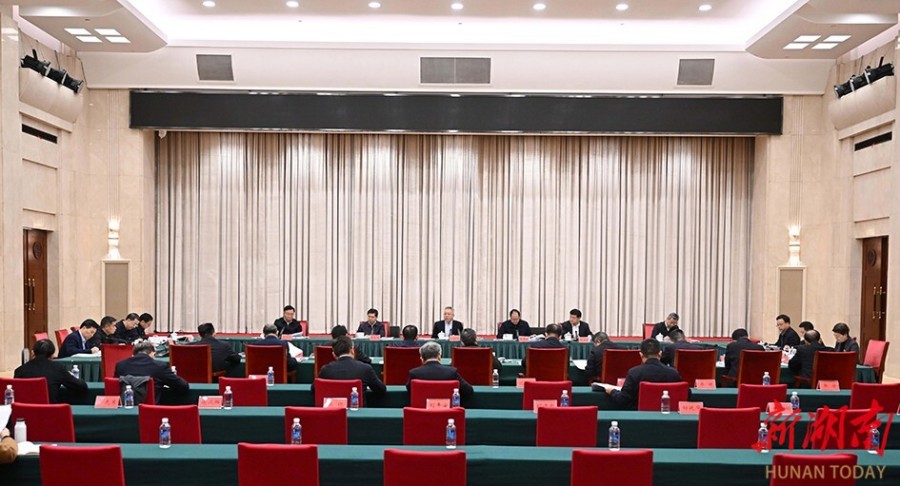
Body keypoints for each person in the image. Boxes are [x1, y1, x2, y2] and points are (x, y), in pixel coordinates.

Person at [601, 338, 683, 409]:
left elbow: (623, 399)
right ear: (660, 353)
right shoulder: (673, 373)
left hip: (638, 416)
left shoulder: (634, 373)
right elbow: (684, 394)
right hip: (667, 415)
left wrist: (612, 391)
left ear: (641, 354)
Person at [14, 339, 88, 403]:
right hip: (50, 411)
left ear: (33, 353)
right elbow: (80, 386)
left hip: (24, 411)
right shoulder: (57, 368)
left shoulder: (19, 370)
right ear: (52, 355)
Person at [114, 341, 189, 402]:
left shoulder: (120, 365)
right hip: (151, 408)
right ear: (152, 353)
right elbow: (182, 386)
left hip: (125, 404)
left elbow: (115, 386)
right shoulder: (160, 366)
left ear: (133, 354)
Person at [315, 336, 386, 394]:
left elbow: (314, 388)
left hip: (333, 406)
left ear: (334, 354)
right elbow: (381, 389)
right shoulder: (365, 369)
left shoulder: (326, 370)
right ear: (352, 350)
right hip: (357, 407)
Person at [407, 342, 474, 397]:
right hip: (446, 408)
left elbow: (409, 390)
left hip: (421, 408)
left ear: (422, 359)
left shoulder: (414, 373)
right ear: (439, 356)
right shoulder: (451, 372)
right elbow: (468, 391)